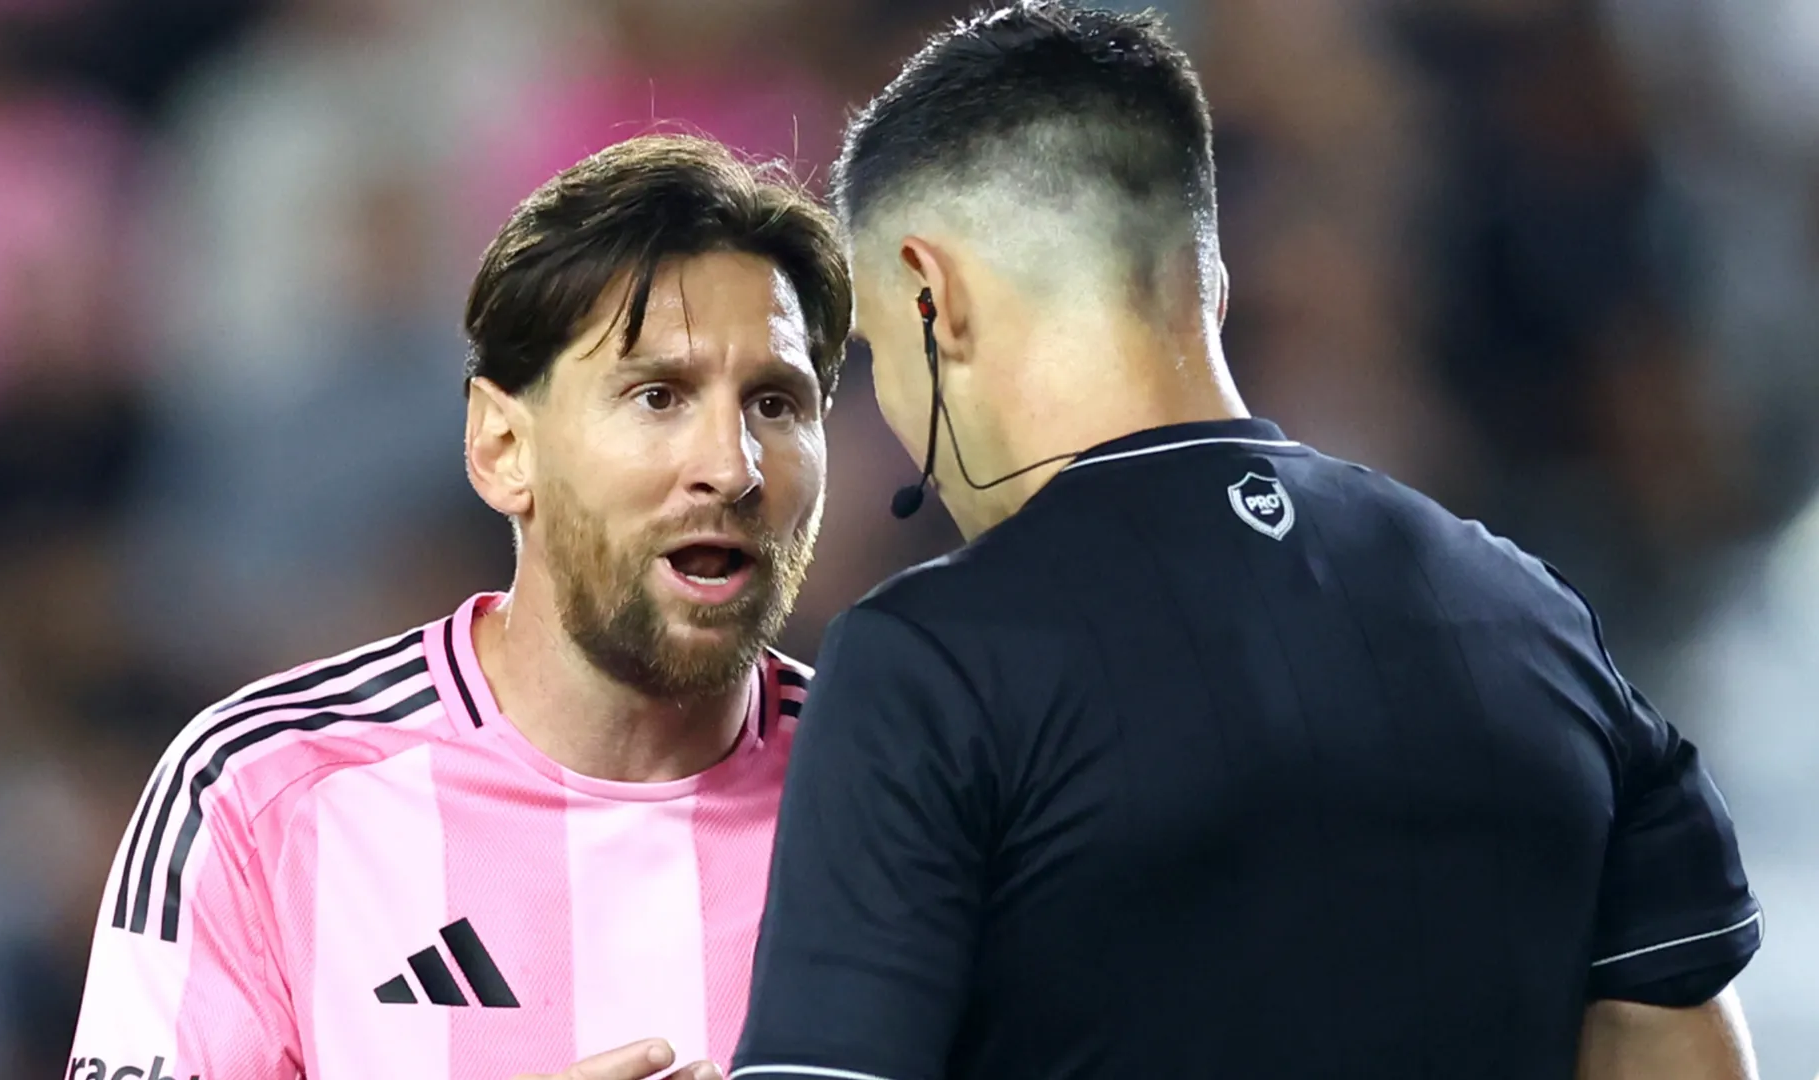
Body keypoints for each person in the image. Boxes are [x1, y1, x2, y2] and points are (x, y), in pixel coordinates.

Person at [731, 5, 1762, 1080]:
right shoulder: (1533, 618)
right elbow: (1679, 1044)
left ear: (933, 296)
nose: (891, 408)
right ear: (1209, 283)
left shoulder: (925, 667)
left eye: (875, 350)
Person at [66, 134, 850, 1080]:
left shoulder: (907, 794)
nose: (731, 465)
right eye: (657, 396)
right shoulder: (259, 794)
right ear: (501, 447)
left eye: (775, 403)